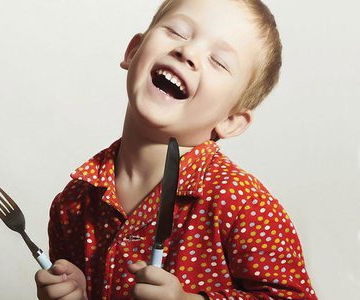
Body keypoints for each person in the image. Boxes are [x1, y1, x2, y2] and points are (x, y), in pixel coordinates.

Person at [35, 0, 317, 299]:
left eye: (219, 62)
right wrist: (75, 293)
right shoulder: (73, 203)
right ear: (133, 51)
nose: (188, 52)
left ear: (231, 120)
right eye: (177, 32)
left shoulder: (245, 206)